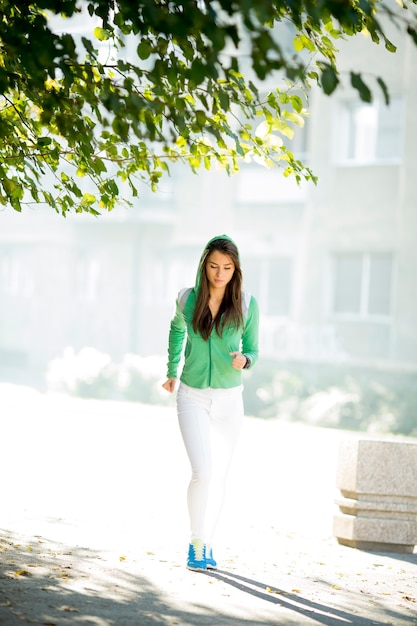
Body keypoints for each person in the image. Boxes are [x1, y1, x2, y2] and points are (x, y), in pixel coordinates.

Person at [162, 234, 259, 572]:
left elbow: (254, 350)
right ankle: (196, 541)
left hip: (230, 401)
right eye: (214, 267)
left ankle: (210, 543)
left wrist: (244, 361)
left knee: (220, 477)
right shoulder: (187, 298)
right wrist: (171, 369)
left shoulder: (247, 304)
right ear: (204, 266)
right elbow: (177, 330)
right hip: (192, 395)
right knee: (202, 471)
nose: (220, 274)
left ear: (236, 270)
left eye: (227, 268)